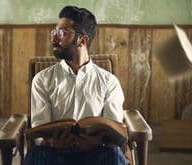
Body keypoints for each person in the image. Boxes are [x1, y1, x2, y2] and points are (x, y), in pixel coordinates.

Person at [24, 6, 127, 165]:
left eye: (62, 33)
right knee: (35, 156)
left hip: (95, 152)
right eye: (54, 32)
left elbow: (113, 131)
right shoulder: (42, 79)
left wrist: (97, 142)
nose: (54, 39)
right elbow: (40, 130)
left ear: (82, 40)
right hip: (55, 153)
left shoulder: (109, 82)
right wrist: (52, 143)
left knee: (114, 155)